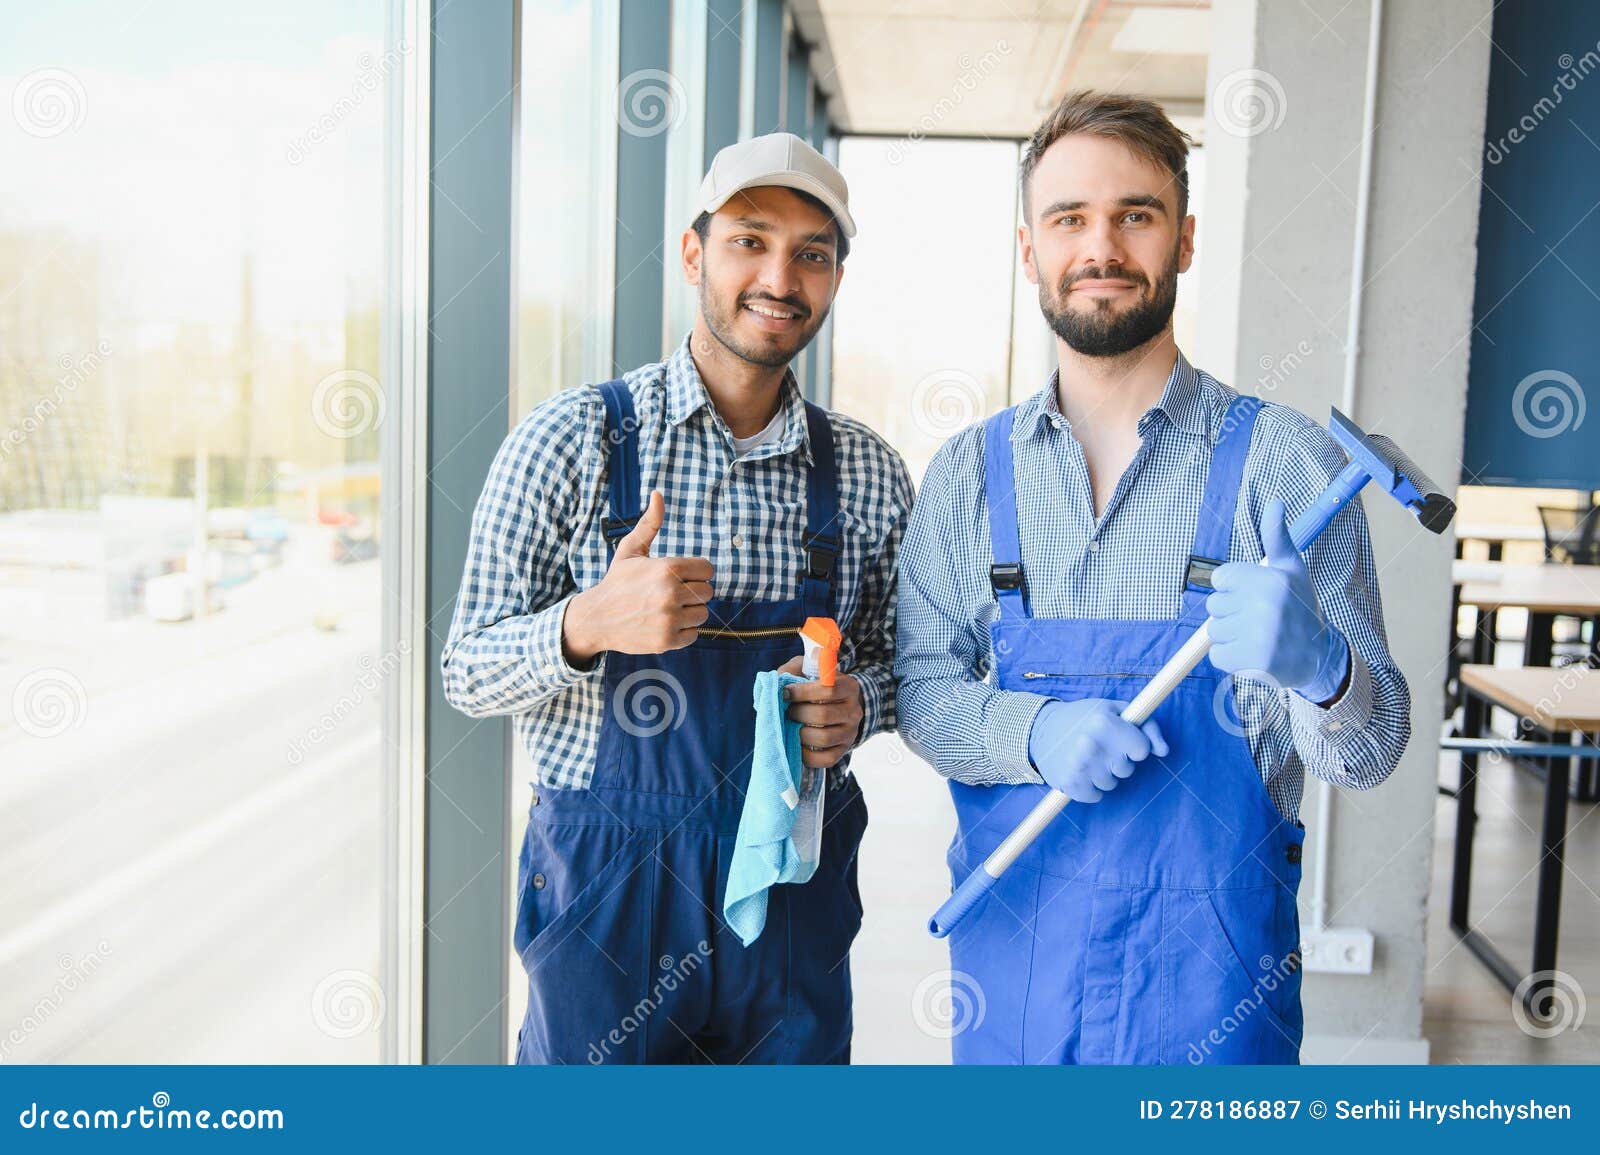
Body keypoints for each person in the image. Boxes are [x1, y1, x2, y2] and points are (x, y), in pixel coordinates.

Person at [894, 90, 1409, 1065]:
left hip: (1214, 1001)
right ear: (1028, 249)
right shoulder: (967, 474)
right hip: (1013, 983)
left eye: (1135, 213)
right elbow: (920, 698)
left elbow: (1371, 752)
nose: (1101, 246)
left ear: (1182, 240)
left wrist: (1321, 669)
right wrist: (1032, 730)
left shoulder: (1282, 468)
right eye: (1068, 219)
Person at [442, 132, 914, 1064]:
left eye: (811, 253)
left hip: (790, 897)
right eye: (750, 239)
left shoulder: (865, 472)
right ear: (695, 253)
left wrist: (862, 704)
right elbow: (465, 669)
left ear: (833, 280)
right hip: (608, 905)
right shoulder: (571, 441)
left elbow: (921, 669)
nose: (780, 274)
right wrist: (586, 624)